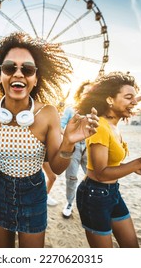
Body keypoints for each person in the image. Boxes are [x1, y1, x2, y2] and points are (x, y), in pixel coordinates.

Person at [0, 32, 99, 248]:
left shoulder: (48, 114)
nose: (18, 74)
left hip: (34, 193)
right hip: (0, 191)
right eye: (10, 68)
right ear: (0, 75)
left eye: (27, 69)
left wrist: (68, 141)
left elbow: (58, 168)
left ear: (36, 78)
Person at [75, 71, 141, 248]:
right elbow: (100, 174)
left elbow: (112, 165)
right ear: (110, 100)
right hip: (95, 194)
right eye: (128, 97)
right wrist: (139, 162)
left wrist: (136, 167)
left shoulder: (113, 125)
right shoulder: (100, 126)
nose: (134, 102)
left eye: (134, 97)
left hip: (113, 192)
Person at [59, 80, 92, 218]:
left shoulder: (97, 109)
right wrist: (69, 139)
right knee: (71, 178)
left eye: (91, 92)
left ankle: (89, 203)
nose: (88, 94)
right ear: (80, 93)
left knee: (92, 176)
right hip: (74, 147)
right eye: (86, 91)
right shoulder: (71, 109)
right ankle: (69, 203)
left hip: (91, 147)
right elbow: (60, 126)